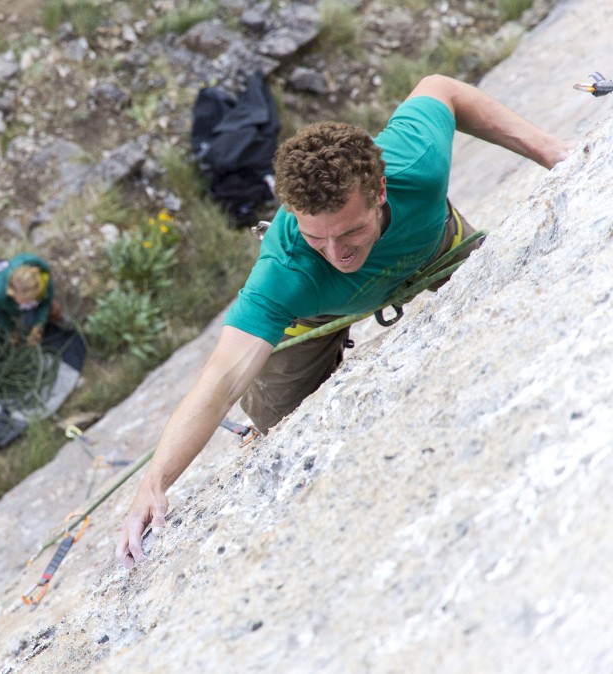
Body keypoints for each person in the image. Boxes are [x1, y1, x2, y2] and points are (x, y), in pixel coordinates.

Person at [115, 74, 574, 569]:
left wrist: (550, 150)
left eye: (351, 230)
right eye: (318, 238)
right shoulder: (286, 268)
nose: (339, 253)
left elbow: (441, 88)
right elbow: (221, 378)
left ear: (379, 190)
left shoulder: (414, 162)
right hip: (313, 310)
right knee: (275, 418)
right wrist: (155, 480)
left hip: (432, 247)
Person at [0, 252, 58, 347]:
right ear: (11, 292)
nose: (30, 304)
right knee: (27, 323)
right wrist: (11, 330)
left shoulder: (44, 281)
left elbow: (45, 303)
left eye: (33, 299)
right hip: (5, 296)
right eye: (26, 301)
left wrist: (38, 324)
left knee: (52, 310)